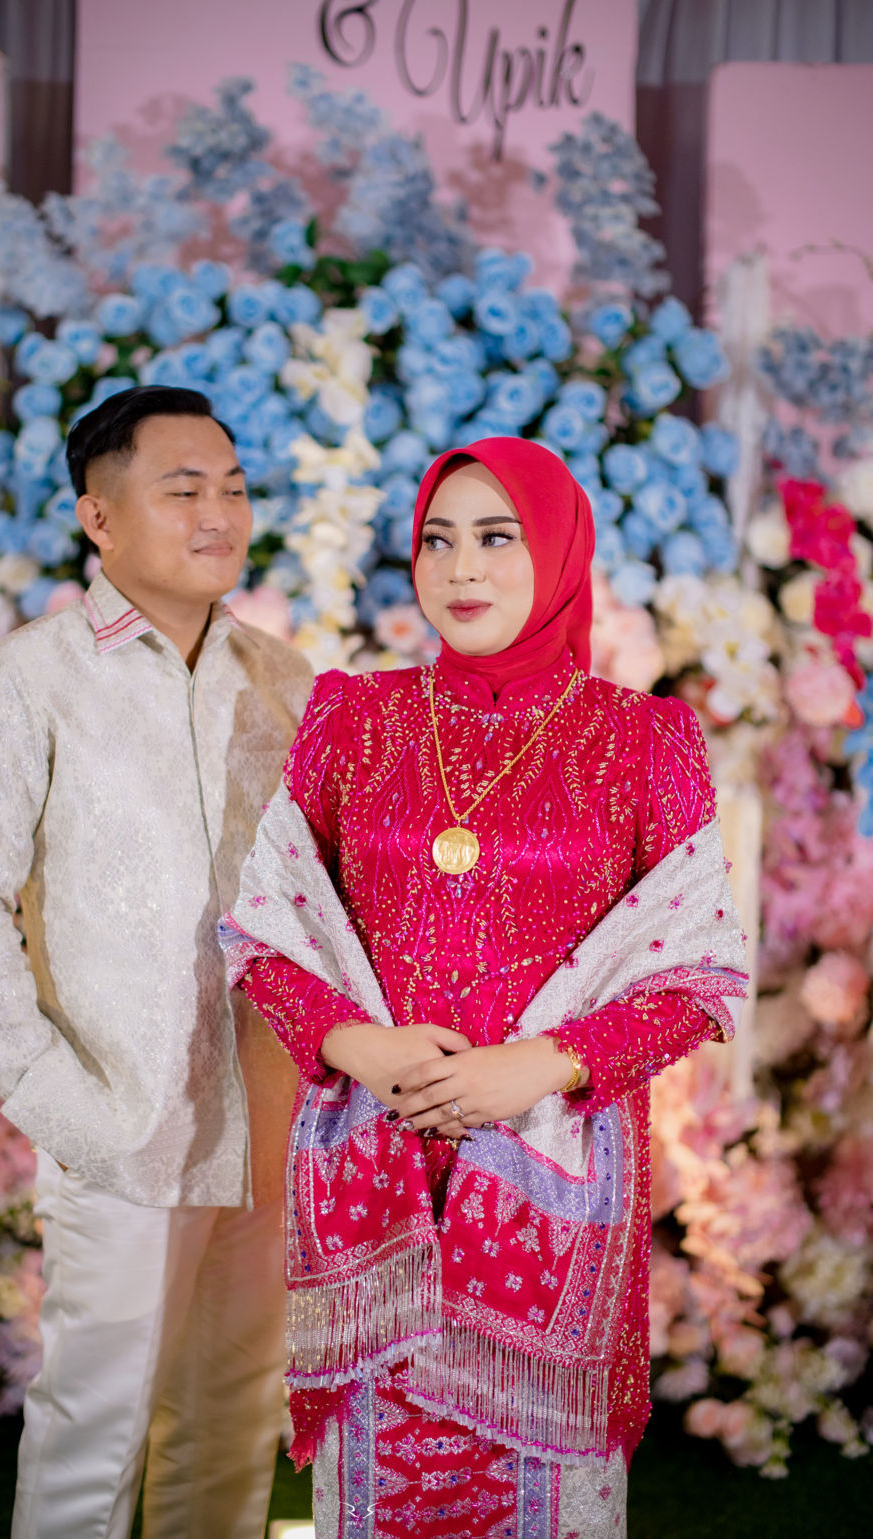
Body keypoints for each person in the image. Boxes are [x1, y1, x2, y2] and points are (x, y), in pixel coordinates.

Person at [221, 438, 748, 1538]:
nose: (460, 568)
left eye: (496, 538)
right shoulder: (350, 718)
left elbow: (699, 976)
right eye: (438, 540)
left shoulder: (644, 738)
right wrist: (356, 1046)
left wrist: (543, 1066)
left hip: (550, 1174)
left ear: (557, 551)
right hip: (378, 1161)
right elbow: (265, 935)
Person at [0, 385, 313, 1539]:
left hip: (268, 1113)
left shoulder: (284, 682)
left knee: (234, 1415)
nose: (219, 514)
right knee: (95, 1424)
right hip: (122, 1114)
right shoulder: (25, 681)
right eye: (183, 490)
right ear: (98, 518)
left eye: (233, 489)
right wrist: (56, 1098)